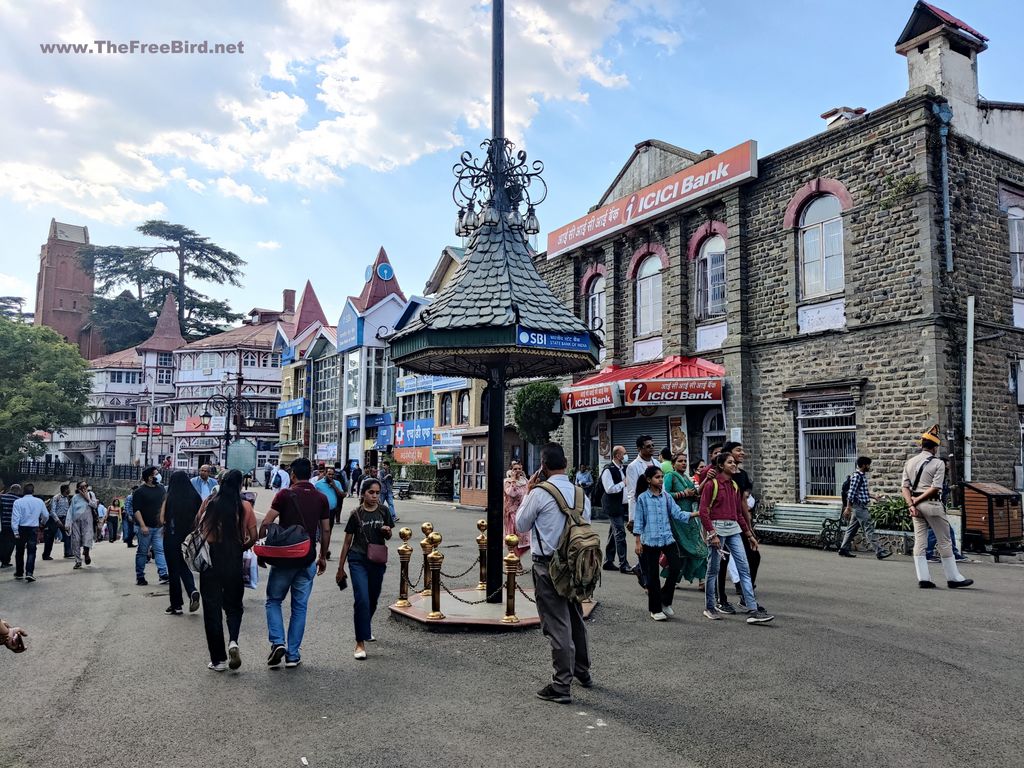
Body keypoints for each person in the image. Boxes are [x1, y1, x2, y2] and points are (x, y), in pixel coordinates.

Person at [515, 442, 592, 705]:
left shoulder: (539, 493)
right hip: (577, 564)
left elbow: (520, 524)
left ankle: (561, 684)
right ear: (567, 464)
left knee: (557, 622)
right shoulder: (581, 494)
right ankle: (582, 670)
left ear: (543, 466)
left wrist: (528, 492)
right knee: (575, 616)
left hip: (547, 564)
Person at [262, 458, 331, 669]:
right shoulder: (321, 498)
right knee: (299, 607)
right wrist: (323, 556)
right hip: (307, 558)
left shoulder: (284, 494)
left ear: (292, 475)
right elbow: (326, 529)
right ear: (310, 474)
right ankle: (293, 654)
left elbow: (266, 522)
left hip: (284, 558)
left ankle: (277, 642)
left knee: (274, 600)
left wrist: (262, 548)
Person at [699, 451, 774, 624]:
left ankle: (752, 609)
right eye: (730, 462)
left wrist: (749, 534)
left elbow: (738, 513)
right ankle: (710, 607)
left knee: (744, 568)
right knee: (713, 569)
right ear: (721, 466)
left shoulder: (734, 485)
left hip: (733, 529)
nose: (734, 465)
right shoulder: (712, 485)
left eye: (734, 462)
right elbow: (703, 511)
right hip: (717, 529)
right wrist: (712, 533)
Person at [197, 469, 257, 671]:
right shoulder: (245, 506)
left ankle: (218, 660)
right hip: (233, 558)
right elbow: (254, 536)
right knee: (233, 606)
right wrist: (242, 547)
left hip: (211, 559)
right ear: (240, 485)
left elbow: (198, 525)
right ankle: (233, 641)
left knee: (212, 609)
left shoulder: (209, 502)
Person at [902, 425, 972, 589]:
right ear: (934, 447)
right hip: (932, 503)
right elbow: (935, 488)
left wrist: (911, 504)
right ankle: (953, 578)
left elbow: (904, 487)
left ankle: (923, 578)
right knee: (945, 540)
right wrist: (918, 500)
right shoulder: (938, 463)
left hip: (915, 506)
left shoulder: (910, 462)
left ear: (921, 445)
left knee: (920, 541)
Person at [336, 478, 393, 660]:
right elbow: (347, 542)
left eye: (377, 492)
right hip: (357, 559)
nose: (375, 496)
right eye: (371, 492)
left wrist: (387, 532)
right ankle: (360, 642)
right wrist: (340, 568)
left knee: (373, 599)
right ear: (363, 493)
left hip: (377, 560)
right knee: (362, 599)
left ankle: (365, 627)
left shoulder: (384, 511)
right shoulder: (356, 514)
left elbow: (390, 535)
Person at [633, 466, 695, 620]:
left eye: (661, 477)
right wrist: (638, 542)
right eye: (657, 477)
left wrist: (697, 513)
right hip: (650, 541)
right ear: (649, 480)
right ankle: (655, 609)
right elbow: (639, 522)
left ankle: (665, 601)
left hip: (667, 539)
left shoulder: (666, 497)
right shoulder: (642, 498)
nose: (661, 480)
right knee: (653, 576)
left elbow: (677, 513)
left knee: (675, 568)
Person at [717, 441, 762, 610]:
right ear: (727, 454)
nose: (742, 453)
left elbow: (742, 502)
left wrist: (749, 529)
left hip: (739, 522)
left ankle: (745, 595)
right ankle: (721, 599)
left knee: (753, 557)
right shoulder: (717, 475)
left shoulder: (741, 475)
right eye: (738, 450)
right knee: (722, 561)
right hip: (721, 524)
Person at [160, 471, 203, 616]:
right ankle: (192, 590)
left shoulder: (170, 497)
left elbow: (162, 520)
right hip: (189, 538)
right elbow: (200, 518)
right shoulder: (195, 496)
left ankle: (176, 605)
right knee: (184, 566)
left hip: (172, 537)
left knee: (173, 571)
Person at [663, 452, 707, 587]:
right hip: (677, 519)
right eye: (680, 461)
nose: (683, 463)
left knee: (700, 547)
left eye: (685, 461)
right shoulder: (670, 476)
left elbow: (695, 492)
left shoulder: (686, 478)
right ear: (673, 464)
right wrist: (682, 494)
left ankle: (702, 579)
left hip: (690, 518)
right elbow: (665, 495)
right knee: (681, 550)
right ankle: (672, 578)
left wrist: (704, 483)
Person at [838, 456, 892, 560]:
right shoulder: (857, 476)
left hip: (859, 506)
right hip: (859, 507)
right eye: (868, 465)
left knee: (851, 529)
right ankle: (880, 551)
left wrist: (874, 497)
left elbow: (862, 493)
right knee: (869, 528)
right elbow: (851, 493)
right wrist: (848, 507)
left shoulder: (861, 476)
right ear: (863, 465)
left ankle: (843, 549)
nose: (869, 467)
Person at [132, 467, 169, 587]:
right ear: (149, 477)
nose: (158, 476)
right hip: (145, 527)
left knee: (160, 550)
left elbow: (164, 504)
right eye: (156, 474)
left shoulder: (161, 489)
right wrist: (142, 525)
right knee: (142, 552)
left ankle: (163, 574)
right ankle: (140, 576)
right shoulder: (139, 492)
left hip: (159, 526)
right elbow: (136, 510)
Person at [599, 446, 632, 573]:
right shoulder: (608, 470)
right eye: (625, 453)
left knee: (614, 533)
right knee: (620, 533)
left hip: (622, 505)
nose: (626, 455)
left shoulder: (623, 469)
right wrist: (623, 483)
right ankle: (623, 563)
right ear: (618, 456)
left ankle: (608, 561)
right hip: (612, 506)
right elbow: (609, 489)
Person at [12, 484, 51, 583]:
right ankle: (29, 573)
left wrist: (15, 531)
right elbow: (46, 515)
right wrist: (42, 524)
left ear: (23, 492)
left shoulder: (18, 502)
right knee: (31, 551)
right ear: (33, 491)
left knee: (19, 551)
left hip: (21, 528)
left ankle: (19, 572)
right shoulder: (39, 502)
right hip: (33, 528)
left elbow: (15, 518)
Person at [314, 466, 348, 559]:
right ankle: (325, 551)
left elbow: (342, 495)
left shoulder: (337, 483)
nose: (331, 476)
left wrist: (334, 486)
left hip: (332, 511)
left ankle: (324, 550)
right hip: (321, 512)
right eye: (329, 474)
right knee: (324, 531)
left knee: (329, 531)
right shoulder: (318, 484)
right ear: (325, 473)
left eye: (332, 474)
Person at [625, 435, 658, 524]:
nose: (651, 448)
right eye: (648, 446)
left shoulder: (658, 464)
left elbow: (663, 487)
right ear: (639, 448)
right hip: (644, 507)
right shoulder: (633, 466)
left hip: (658, 506)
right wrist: (632, 518)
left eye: (652, 445)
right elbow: (632, 493)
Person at [503, 461, 531, 557]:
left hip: (524, 511)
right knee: (514, 538)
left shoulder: (525, 481)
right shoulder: (507, 482)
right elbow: (511, 493)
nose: (518, 471)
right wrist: (513, 480)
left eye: (519, 469)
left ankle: (517, 557)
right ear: (511, 470)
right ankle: (515, 559)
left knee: (526, 540)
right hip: (513, 514)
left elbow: (529, 493)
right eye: (515, 469)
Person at [68, 481, 95, 570]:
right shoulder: (75, 498)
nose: (84, 488)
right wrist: (68, 523)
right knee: (76, 540)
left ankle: (86, 553)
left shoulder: (91, 494)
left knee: (87, 537)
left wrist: (87, 498)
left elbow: (94, 505)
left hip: (87, 520)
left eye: (85, 486)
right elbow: (70, 510)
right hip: (76, 521)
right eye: (81, 487)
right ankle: (78, 561)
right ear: (78, 488)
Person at [45, 484, 73, 559]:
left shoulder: (67, 498)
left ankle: (68, 552)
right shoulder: (56, 497)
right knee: (50, 537)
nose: (69, 491)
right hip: (54, 519)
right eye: (68, 489)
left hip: (64, 519)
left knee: (67, 535)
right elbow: (52, 511)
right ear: (65, 490)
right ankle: (46, 555)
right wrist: (57, 520)